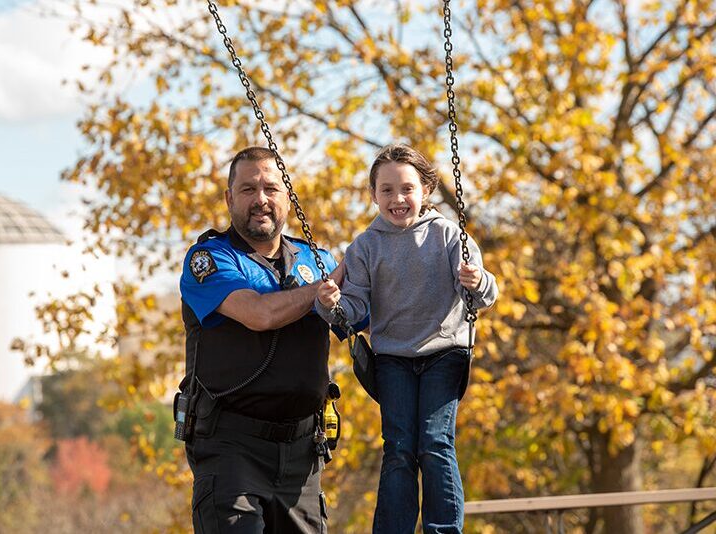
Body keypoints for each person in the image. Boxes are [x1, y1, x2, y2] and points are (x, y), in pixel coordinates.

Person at [315, 144, 498, 534]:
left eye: (407, 189)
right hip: (393, 358)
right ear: (373, 194)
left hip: (444, 351)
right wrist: (331, 303)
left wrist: (477, 281)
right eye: (387, 190)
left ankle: (442, 529)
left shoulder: (448, 235)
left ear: (425, 190)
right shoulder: (365, 246)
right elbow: (354, 309)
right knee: (398, 447)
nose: (397, 199)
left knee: (434, 442)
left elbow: (484, 294)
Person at [179, 146, 344, 533]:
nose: (261, 199)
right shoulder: (210, 258)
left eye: (271, 188)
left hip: (303, 453)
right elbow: (260, 315)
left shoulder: (317, 260)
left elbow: (369, 321)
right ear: (229, 198)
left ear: (287, 196)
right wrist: (323, 289)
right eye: (248, 189)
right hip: (231, 450)